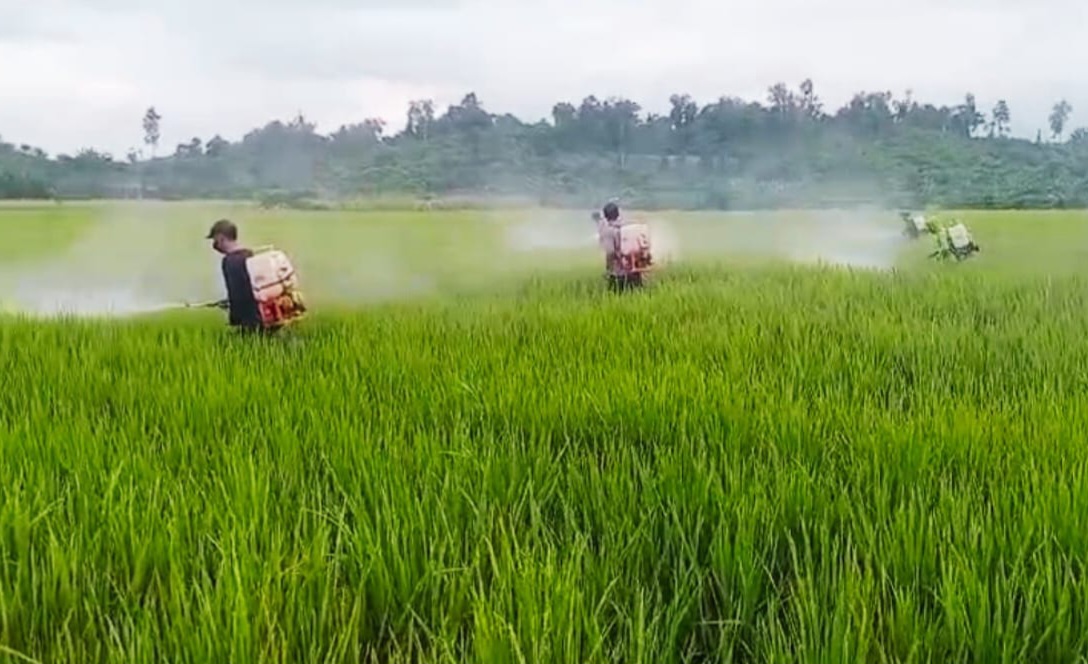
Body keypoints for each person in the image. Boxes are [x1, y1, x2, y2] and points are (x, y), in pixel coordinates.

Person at [205, 219, 262, 330]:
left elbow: (237, 293)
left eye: (214, 239)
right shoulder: (249, 254)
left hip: (250, 321)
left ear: (221, 237)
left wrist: (234, 314)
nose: (214, 244)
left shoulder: (230, 261)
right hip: (262, 315)